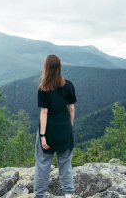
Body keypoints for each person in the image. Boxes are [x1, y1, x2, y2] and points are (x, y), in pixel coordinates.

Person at [33, 54, 76, 198]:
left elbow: (44, 112)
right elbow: (71, 109)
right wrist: (68, 128)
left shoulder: (43, 87)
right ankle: (68, 195)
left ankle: (39, 195)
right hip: (64, 129)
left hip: (49, 131)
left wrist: (43, 136)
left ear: (46, 67)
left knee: (43, 165)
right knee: (65, 164)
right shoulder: (68, 85)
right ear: (59, 67)